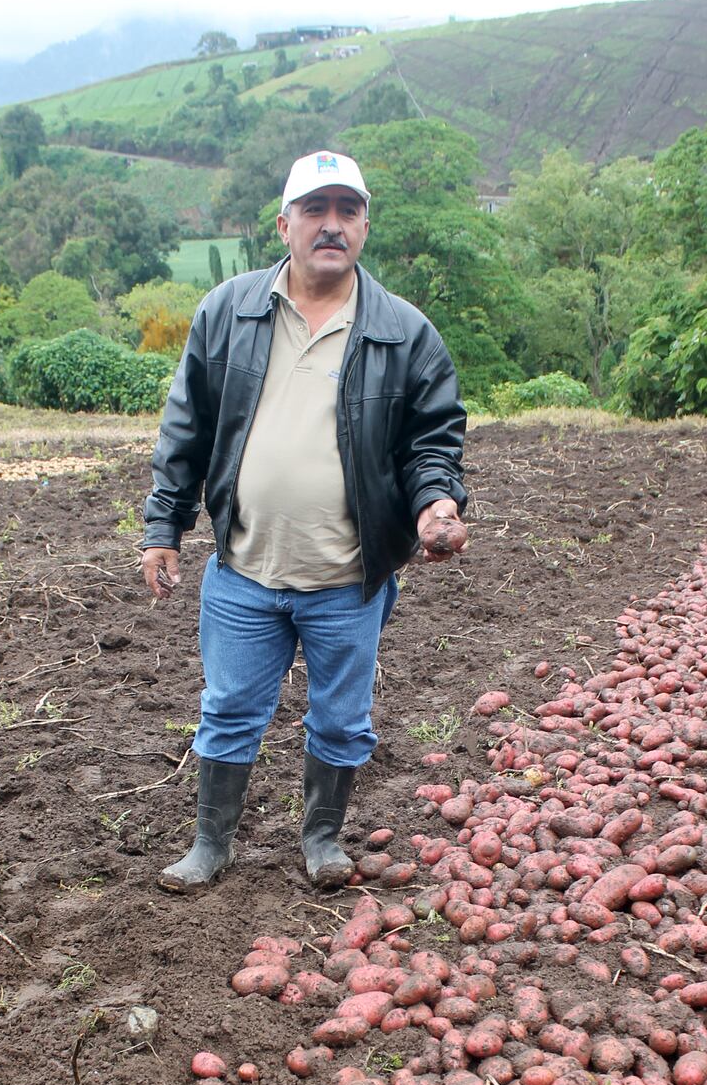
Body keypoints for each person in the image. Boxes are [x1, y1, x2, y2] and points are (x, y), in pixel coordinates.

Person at [141, 148, 468, 893]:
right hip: (245, 567)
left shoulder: (403, 331)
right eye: (315, 212)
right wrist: (165, 526)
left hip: (348, 576)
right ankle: (210, 844)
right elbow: (185, 427)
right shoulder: (228, 310)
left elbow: (432, 440)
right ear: (284, 224)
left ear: (363, 225)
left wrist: (437, 503)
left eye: (346, 211)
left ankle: (322, 839)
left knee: (343, 718)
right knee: (228, 709)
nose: (331, 226)